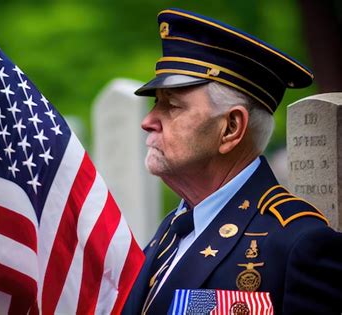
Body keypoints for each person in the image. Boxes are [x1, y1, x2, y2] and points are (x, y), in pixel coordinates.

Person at [123, 8, 342, 314]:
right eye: (155, 103)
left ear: (230, 129)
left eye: (171, 105)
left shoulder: (297, 244)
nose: (148, 120)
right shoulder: (174, 229)